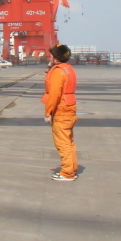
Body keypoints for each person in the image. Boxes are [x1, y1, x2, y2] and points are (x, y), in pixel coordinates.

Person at [42, 44, 78, 181]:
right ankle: (71, 168)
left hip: (61, 110)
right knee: (69, 142)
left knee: (62, 143)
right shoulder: (69, 69)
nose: (50, 58)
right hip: (69, 108)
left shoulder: (58, 71)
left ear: (56, 58)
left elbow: (55, 94)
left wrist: (48, 112)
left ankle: (67, 173)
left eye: (52, 55)